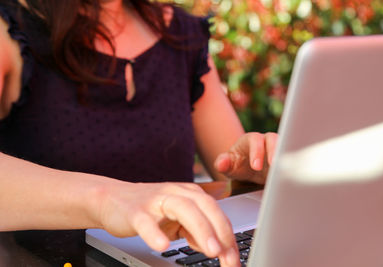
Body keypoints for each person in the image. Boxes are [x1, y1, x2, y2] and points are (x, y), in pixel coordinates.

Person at [0, 0, 278, 266]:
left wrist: (253, 170)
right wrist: (108, 200)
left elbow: (228, 170)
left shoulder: (181, 34)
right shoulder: (9, 29)